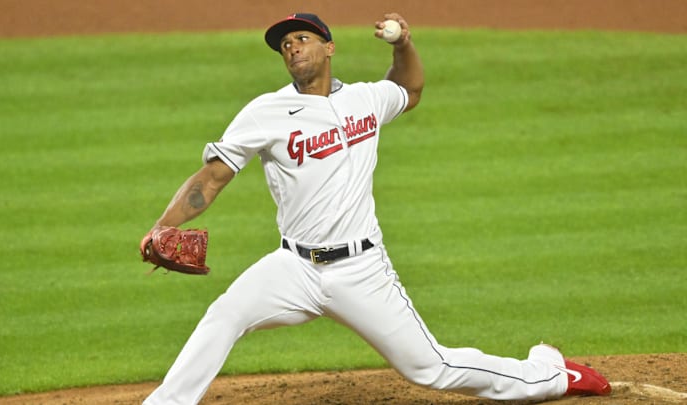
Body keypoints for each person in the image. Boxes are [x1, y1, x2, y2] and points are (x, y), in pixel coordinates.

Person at [141, 12, 611, 405]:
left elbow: (410, 90)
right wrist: (163, 226)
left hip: (361, 270)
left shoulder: (365, 100)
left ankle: (550, 374)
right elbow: (211, 178)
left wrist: (403, 45)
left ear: (329, 48)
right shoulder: (265, 111)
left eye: (302, 39)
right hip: (292, 267)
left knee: (432, 368)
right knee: (225, 315)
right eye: (285, 44)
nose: (292, 49)